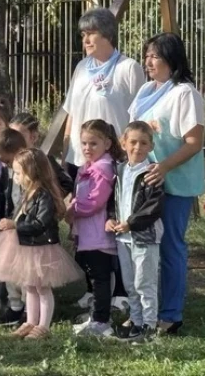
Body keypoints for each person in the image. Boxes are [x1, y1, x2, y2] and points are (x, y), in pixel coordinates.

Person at [59, 8, 143, 312]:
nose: (85, 39)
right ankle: (92, 288)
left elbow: (137, 117)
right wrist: (67, 153)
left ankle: (120, 290)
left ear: (107, 34)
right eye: (83, 34)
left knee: (111, 222)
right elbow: (71, 114)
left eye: (90, 33)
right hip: (81, 158)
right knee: (83, 226)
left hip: (113, 161)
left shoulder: (128, 68)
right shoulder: (81, 67)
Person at [128, 32, 205, 336]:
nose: (148, 62)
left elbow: (194, 143)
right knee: (142, 247)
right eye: (146, 55)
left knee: (170, 246)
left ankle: (171, 314)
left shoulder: (185, 93)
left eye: (155, 56)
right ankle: (143, 311)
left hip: (174, 183)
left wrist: (163, 167)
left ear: (172, 60)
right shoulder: (146, 90)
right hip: (145, 182)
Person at [0, 149, 84, 340]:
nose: (16, 177)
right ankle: (31, 321)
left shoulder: (43, 195)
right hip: (27, 247)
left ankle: (43, 325)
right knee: (29, 286)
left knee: (42, 288)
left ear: (32, 172)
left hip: (42, 248)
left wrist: (16, 225)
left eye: (19, 173)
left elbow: (40, 223)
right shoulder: (28, 193)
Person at [107, 121, 166, 343]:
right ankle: (136, 321)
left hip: (144, 238)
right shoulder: (120, 170)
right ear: (123, 143)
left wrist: (131, 223)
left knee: (145, 283)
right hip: (123, 238)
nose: (137, 147)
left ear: (151, 146)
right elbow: (114, 199)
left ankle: (150, 326)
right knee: (130, 284)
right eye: (133, 142)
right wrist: (111, 218)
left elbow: (154, 207)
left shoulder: (152, 172)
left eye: (143, 143)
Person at [68, 119, 123, 337]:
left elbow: (95, 201)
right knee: (94, 278)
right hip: (88, 234)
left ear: (107, 144)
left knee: (101, 279)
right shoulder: (88, 168)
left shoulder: (103, 169)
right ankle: (96, 316)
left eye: (93, 143)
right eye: (84, 143)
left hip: (99, 235)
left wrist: (73, 209)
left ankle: (102, 321)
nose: (87, 148)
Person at [0, 129, 30, 326]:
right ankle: (15, 305)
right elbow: (2, 198)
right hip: (10, 228)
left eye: (7, 160)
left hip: (28, 229)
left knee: (27, 272)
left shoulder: (33, 168)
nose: (5, 164)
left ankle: (29, 308)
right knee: (10, 268)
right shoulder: (6, 171)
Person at [9, 112, 74, 196]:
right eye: (11, 135)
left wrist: (50, 198)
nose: (14, 140)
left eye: (19, 136)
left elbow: (67, 183)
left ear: (34, 137)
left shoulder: (44, 160)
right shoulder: (9, 160)